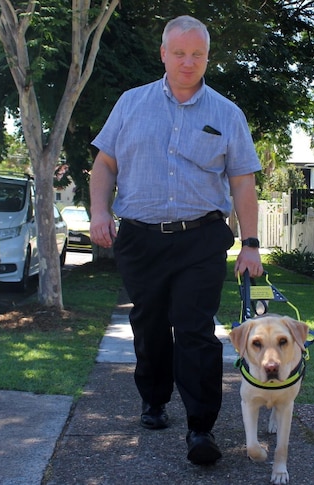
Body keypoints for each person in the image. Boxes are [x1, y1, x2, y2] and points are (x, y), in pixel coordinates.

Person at [89, 15, 264, 465]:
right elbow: (105, 165)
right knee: (149, 326)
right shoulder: (131, 103)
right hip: (140, 239)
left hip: (200, 239)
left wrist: (250, 243)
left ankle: (201, 428)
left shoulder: (227, 113)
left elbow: (242, 182)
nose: (188, 62)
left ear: (207, 57)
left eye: (198, 54)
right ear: (163, 53)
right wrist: (100, 211)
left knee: (194, 329)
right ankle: (154, 399)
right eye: (180, 53)